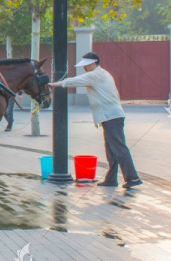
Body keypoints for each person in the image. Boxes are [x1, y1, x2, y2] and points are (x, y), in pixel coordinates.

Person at [47, 52, 142, 188]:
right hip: (111, 116)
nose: (84, 68)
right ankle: (111, 179)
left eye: (85, 65)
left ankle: (133, 178)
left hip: (111, 116)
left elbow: (75, 81)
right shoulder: (103, 74)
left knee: (119, 147)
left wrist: (55, 84)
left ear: (93, 63)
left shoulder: (95, 75)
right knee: (111, 148)